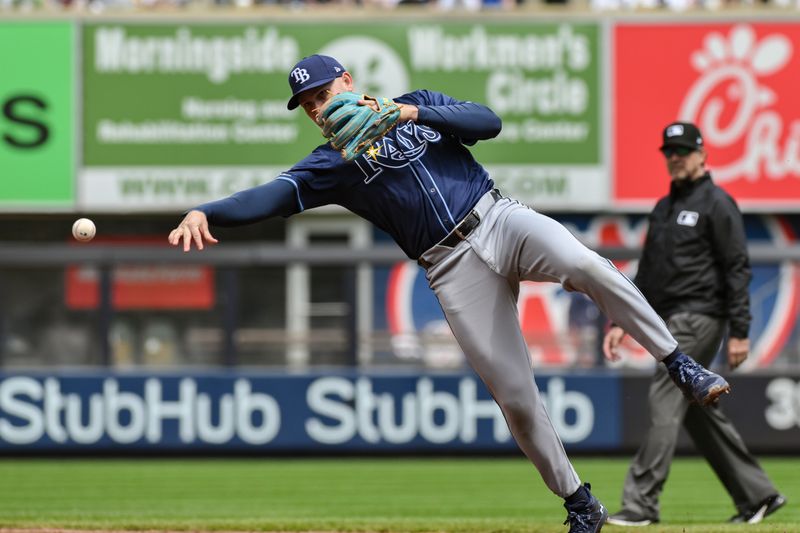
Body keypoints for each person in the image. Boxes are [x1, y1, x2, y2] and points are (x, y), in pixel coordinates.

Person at [168, 55, 733, 533]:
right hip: (448, 265)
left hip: (497, 218)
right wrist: (205, 210)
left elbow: (488, 122)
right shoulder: (331, 165)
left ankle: (680, 364)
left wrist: (406, 112)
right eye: (307, 104)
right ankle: (580, 505)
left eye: (320, 93)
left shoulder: (417, 106)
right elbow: (268, 196)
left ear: (347, 81)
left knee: (584, 263)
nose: (317, 107)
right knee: (514, 396)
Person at [603, 122, 786, 527]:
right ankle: (758, 495)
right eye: (669, 150)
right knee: (696, 409)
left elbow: (737, 268)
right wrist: (622, 319)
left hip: (700, 317)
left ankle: (640, 504)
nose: (675, 157)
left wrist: (740, 330)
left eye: (683, 150)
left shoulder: (718, 203)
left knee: (666, 389)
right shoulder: (663, 208)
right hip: (669, 319)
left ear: (703, 154)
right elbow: (648, 274)